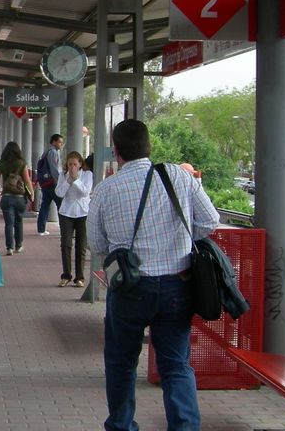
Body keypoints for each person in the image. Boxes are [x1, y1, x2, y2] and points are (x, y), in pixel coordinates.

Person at [87, 119, 218, 431]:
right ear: (148, 146)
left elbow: (96, 244)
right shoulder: (178, 176)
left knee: (121, 363)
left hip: (130, 287)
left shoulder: (107, 189)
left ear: (116, 151)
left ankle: (121, 425)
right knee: (175, 365)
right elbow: (209, 221)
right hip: (178, 285)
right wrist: (182, 241)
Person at [54, 151, 91, 288]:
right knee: (65, 244)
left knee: (81, 246)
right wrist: (68, 181)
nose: (72, 167)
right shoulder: (63, 176)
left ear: (80, 164)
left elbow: (85, 192)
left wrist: (76, 180)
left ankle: (79, 277)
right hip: (66, 212)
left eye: (75, 164)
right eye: (70, 164)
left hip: (82, 212)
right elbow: (59, 193)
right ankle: (66, 275)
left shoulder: (87, 175)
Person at [0, 141, 32, 256]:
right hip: (20, 198)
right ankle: (18, 245)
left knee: (8, 223)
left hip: (6, 197)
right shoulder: (21, 163)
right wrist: (32, 193)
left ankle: (9, 247)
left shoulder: (1, 164)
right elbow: (27, 180)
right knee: (18, 222)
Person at [36, 133, 65, 235]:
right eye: (60, 142)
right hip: (53, 183)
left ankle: (41, 229)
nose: (61, 144)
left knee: (45, 204)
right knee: (61, 205)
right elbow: (54, 169)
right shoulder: (53, 152)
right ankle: (64, 230)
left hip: (45, 182)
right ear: (54, 142)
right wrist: (60, 182)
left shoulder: (46, 152)